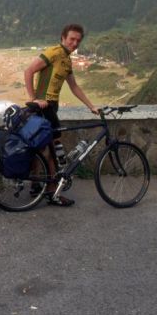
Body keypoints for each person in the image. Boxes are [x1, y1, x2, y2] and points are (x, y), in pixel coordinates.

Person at [24, 24, 98, 207]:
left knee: (41, 147)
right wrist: (34, 99)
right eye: (71, 39)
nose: (74, 43)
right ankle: (52, 192)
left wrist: (91, 106)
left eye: (78, 40)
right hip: (44, 106)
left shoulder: (66, 60)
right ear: (63, 37)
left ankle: (36, 185)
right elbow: (28, 71)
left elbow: (74, 87)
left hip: (51, 107)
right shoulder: (55, 52)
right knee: (53, 148)